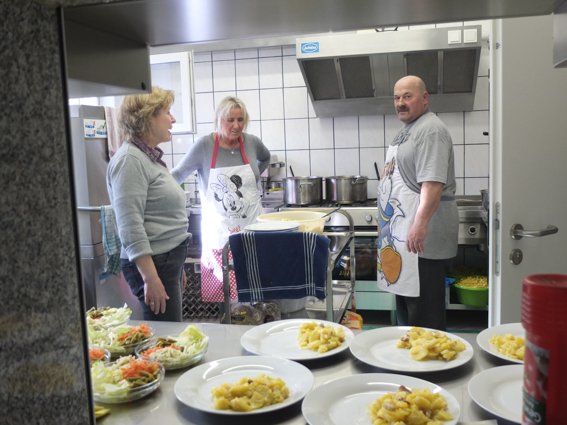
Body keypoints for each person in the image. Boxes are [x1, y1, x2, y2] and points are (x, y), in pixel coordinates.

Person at [377, 75, 458, 330]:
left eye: (407, 96)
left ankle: (427, 356)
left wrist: (420, 224)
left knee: (425, 317)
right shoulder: (408, 130)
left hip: (422, 240)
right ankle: (409, 353)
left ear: (424, 98)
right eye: (396, 97)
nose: (400, 103)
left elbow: (432, 183)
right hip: (405, 237)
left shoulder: (430, 130)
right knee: (408, 312)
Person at [172, 96, 271, 303]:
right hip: (221, 235)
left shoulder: (252, 142)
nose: (236, 126)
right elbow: (178, 174)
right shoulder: (205, 146)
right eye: (230, 120)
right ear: (218, 120)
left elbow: (265, 157)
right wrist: (154, 191)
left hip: (253, 230)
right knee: (230, 302)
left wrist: (252, 178)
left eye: (240, 120)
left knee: (257, 295)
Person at [107, 86, 190, 321]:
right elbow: (130, 226)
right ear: (147, 117)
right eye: (167, 112)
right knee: (164, 337)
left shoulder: (146, 157)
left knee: (169, 333)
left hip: (164, 263)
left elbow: (158, 219)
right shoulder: (129, 161)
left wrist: (176, 268)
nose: (173, 119)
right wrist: (151, 277)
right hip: (153, 264)